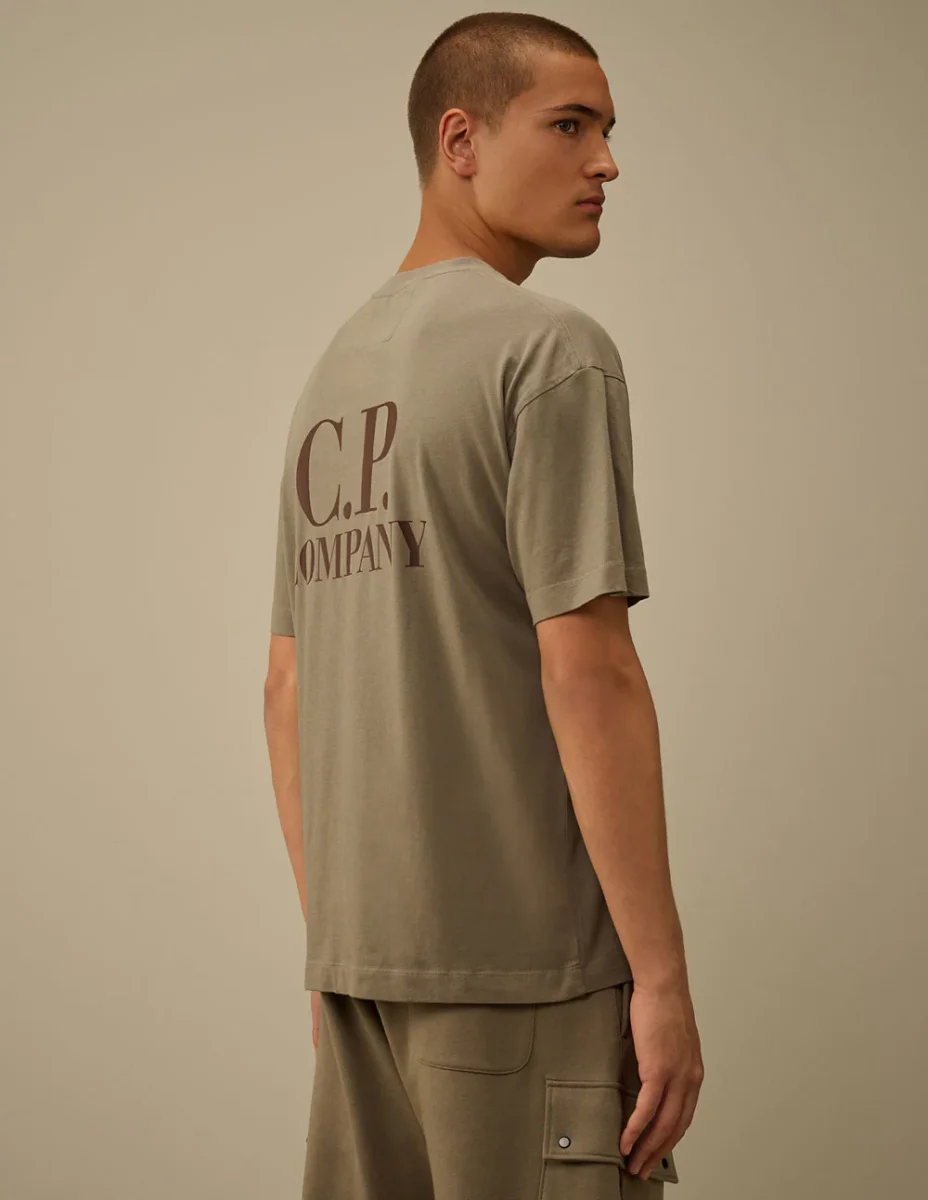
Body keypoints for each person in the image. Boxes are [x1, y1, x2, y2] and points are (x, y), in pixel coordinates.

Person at [263, 11, 704, 1198]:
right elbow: (588, 668)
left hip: (360, 979)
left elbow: (286, 687)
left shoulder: (331, 378)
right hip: (524, 979)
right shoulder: (548, 352)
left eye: (607, 129)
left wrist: (336, 949)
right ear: (459, 140)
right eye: (570, 125)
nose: (606, 161)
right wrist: (660, 981)